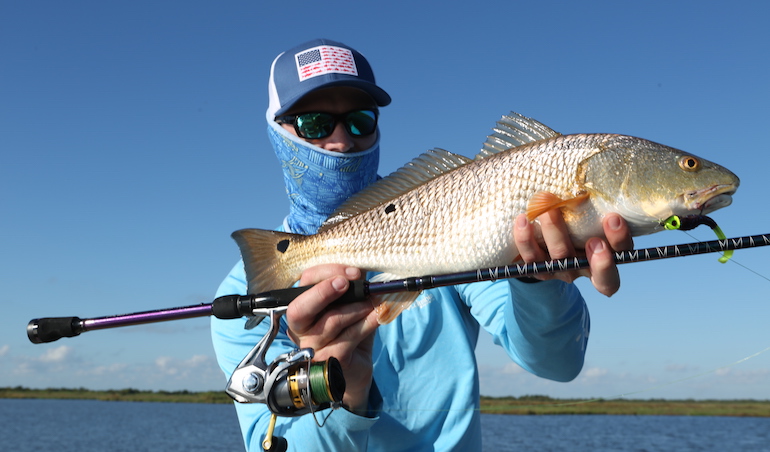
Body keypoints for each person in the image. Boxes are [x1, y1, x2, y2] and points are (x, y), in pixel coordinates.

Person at [211, 38, 633, 451]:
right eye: (314, 123)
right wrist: (343, 392)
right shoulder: (241, 296)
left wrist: (540, 283)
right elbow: (272, 443)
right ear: (276, 133)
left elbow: (556, 364)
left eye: (359, 121)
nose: (341, 141)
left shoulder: (456, 219)